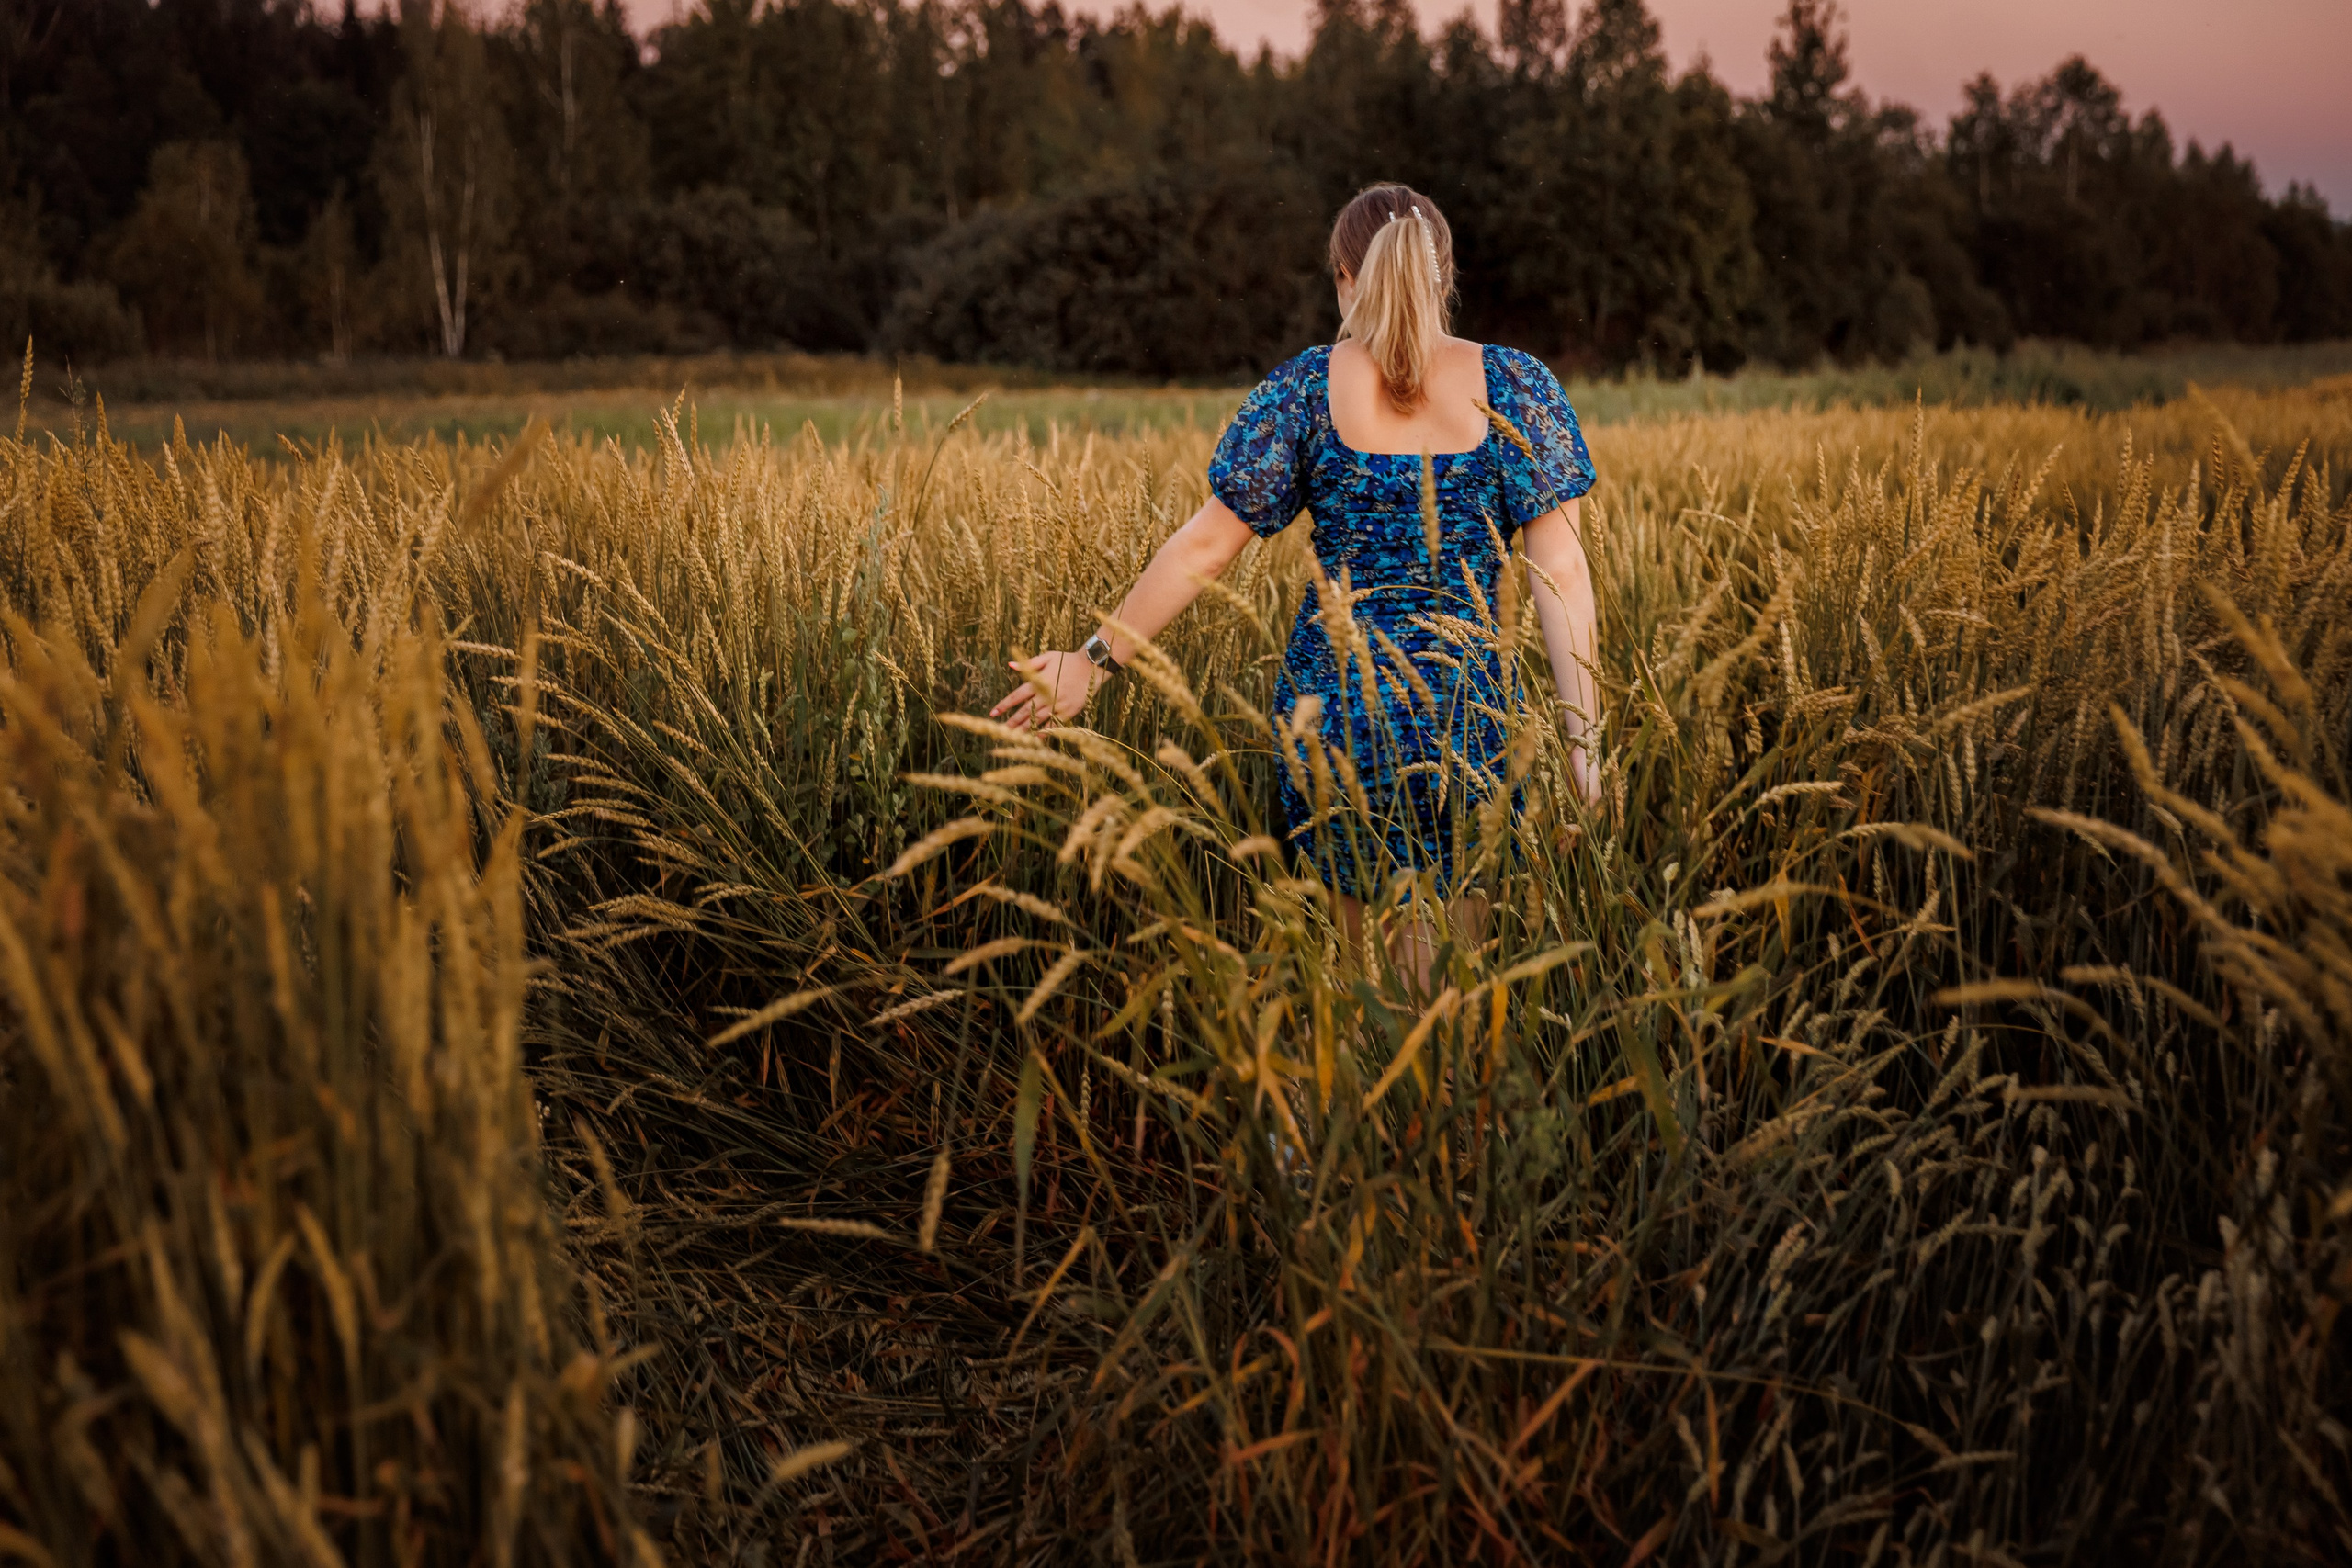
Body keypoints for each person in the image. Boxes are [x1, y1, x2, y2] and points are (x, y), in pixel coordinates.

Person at [990, 182, 1600, 986]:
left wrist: (1092, 660)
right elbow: (1562, 574)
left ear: (1346, 279)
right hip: (1469, 724)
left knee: (1360, 987)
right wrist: (1586, 753)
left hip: (1335, 721)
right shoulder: (1518, 385)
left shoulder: (1306, 391)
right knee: (1451, 992)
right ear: (1445, 274)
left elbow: (1205, 548)